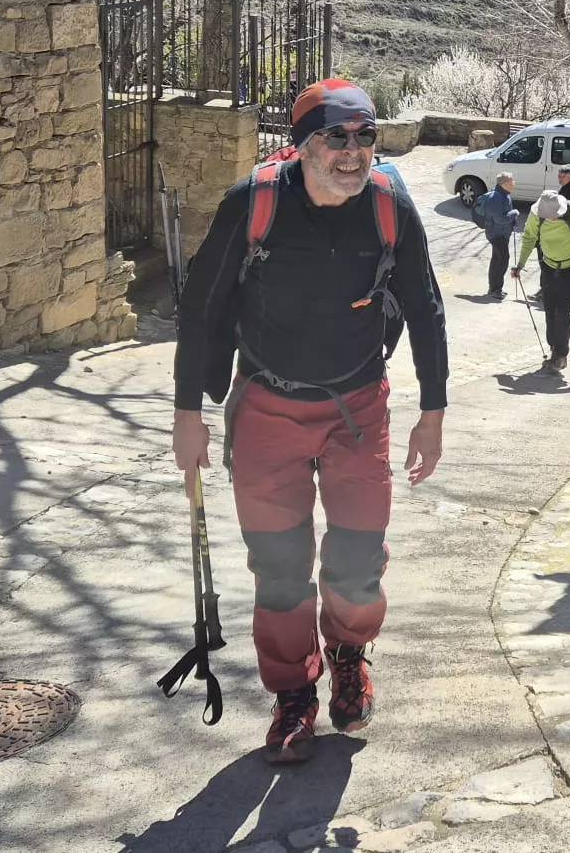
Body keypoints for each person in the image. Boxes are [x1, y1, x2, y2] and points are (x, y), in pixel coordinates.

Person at [173, 79, 448, 764]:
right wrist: (188, 415)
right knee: (280, 569)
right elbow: (201, 307)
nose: (353, 154)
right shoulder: (256, 203)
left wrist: (432, 413)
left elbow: (425, 306)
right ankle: (293, 694)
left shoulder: (389, 205)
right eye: (336, 138)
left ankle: (349, 655)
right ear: (301, 146)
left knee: (357, 563)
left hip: (359, 408)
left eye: (365, 137)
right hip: (267, 408)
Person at [511, 189, 570, 373]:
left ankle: (561, 355)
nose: (552, 219)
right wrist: (520, 265)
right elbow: (529, 237)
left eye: (555, 216)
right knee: (549, 308)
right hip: (549, 265)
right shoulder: (537, 214)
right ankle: (553, 348)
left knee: (562, 310)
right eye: (549, 216)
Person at [476, 172, 519, 298]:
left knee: (496, 259)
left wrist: (512, 218)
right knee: (503, 259)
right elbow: (500, 219)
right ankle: (496, 289)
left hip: (502, 233)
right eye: (512, 180)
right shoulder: (496, 197)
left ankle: (494, 288)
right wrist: (514, 213)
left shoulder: (504, 195)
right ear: (504, 183)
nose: (514, 182)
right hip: (496, 234)